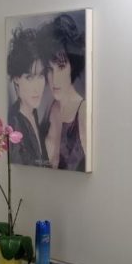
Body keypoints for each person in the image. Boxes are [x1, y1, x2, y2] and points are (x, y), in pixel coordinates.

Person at [38, 14, 87, 171]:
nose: (54, 79)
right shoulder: (49, 107)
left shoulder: (83, 112)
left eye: (61, 67)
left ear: (73, 65)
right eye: (49, 69)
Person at [7, 27, 50, 167]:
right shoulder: (14, 124)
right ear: (16, 78)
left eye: (41, 76)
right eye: (30, 78)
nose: (37, 88)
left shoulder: (33, 113)